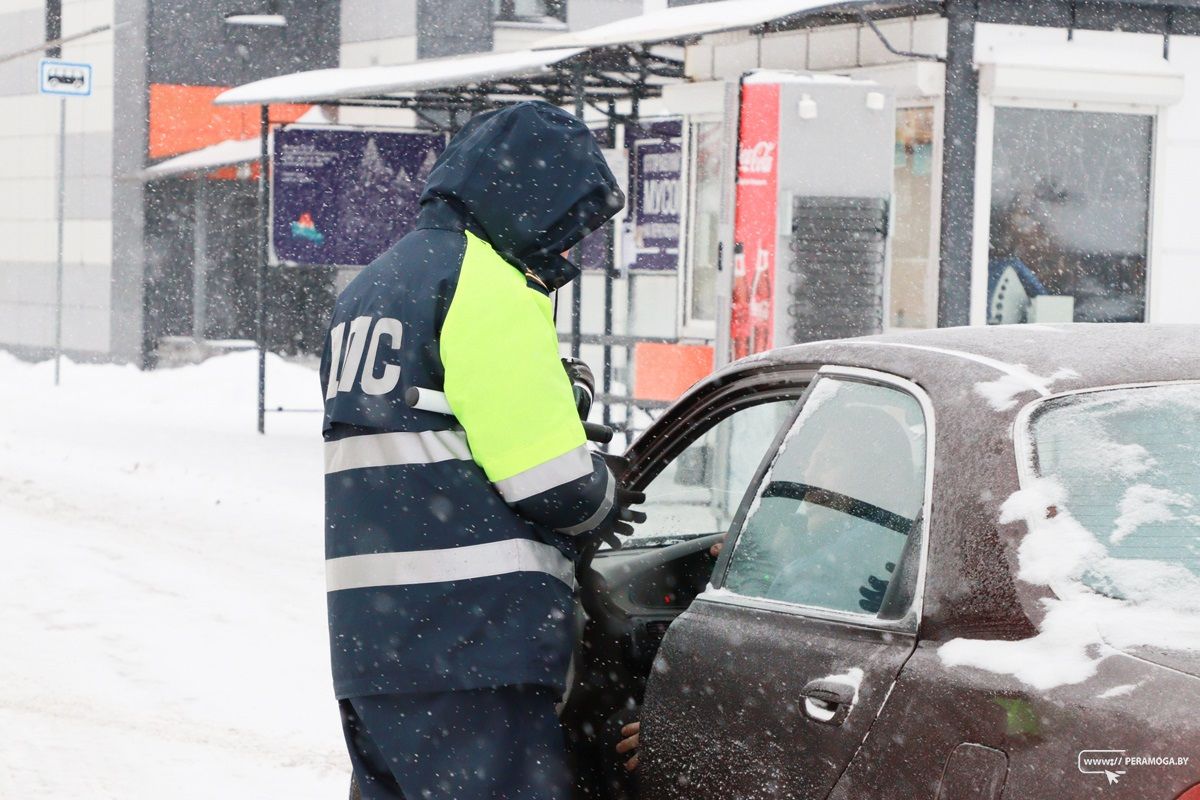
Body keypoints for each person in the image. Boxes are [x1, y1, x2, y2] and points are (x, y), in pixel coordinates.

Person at [320, 101, 641, 800]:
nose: (565, 253)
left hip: (375, 651)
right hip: (472, 648)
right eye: (564, 227)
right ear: (526, 199)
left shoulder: (372, 287)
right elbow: (557, 488)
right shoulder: (488, 285)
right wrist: (610, 484)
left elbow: (425, 438)